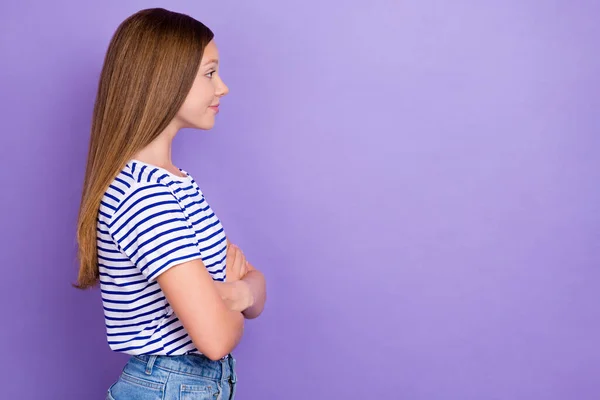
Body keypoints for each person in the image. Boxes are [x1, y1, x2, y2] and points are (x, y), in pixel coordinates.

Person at [73, 8, 267, 399]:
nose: (223, 87)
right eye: (210, 73)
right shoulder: (144, 197)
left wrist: (236, 294)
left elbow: (255, 288)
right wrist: (236, 293)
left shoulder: (173, 182)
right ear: (165, 81)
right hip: (172, 385)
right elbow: (215, 339)